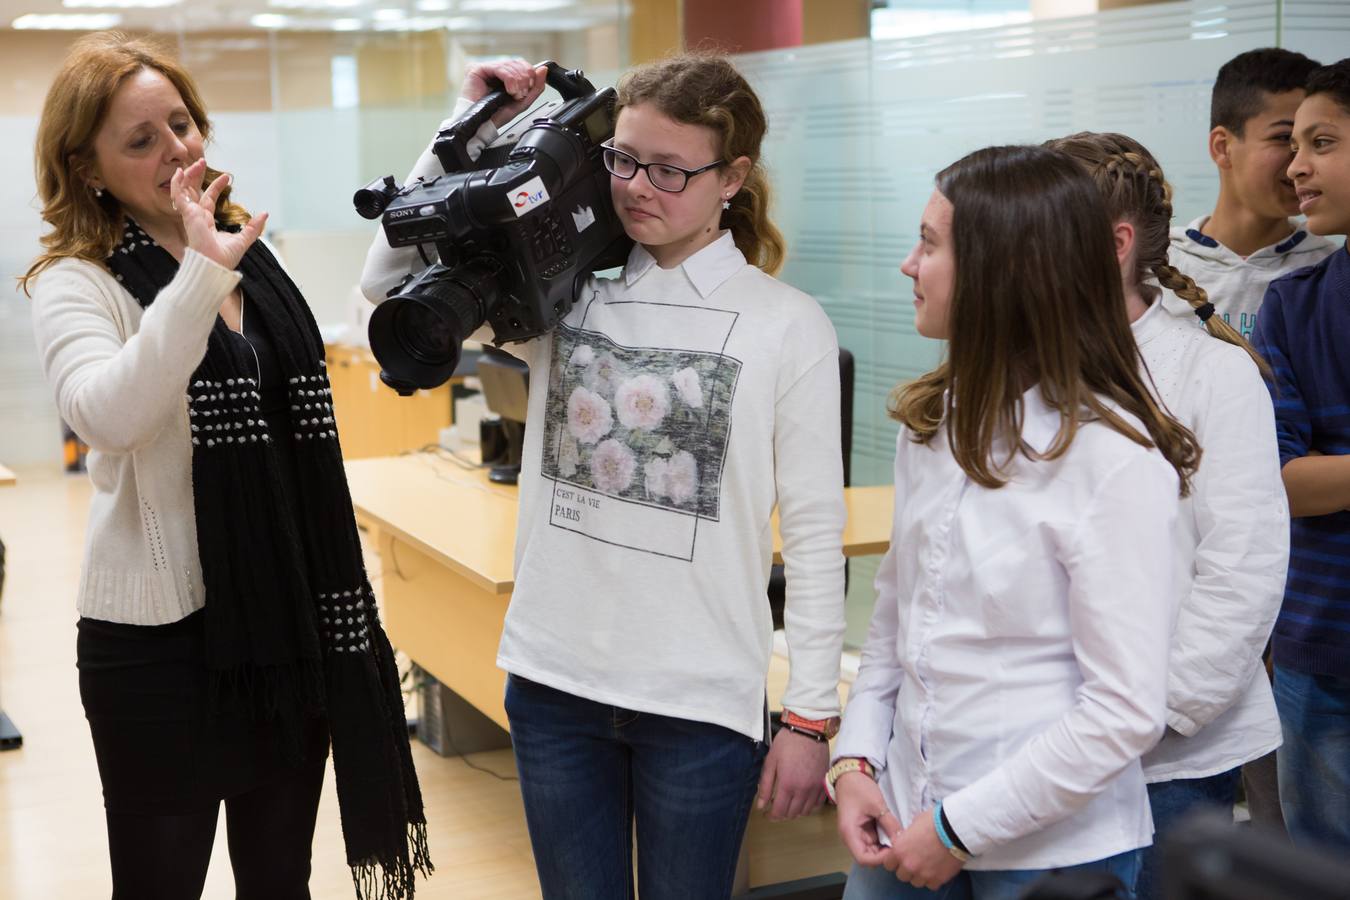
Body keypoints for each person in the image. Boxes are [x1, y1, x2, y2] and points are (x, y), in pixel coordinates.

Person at [362, 53, 846, 899]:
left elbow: (812, 535)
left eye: (669, 170)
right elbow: (385, 287)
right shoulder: (565, 295)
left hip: (700, 704)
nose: (636, 188)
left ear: (732, 177)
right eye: (621, 160)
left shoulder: (786, 326)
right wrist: (461, 125)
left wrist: (810, 716)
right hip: (555, 687)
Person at [24, 32, 429, 900]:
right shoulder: (78, 281)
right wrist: (200, 276)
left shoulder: (253, 254)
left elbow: (353, 327)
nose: (177, 150)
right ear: (88, 168)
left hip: (286, 627)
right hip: (158, 650)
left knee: (280, 882)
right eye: (141, 141)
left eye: (182, 123)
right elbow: (107, 416)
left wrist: (453, 149)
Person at [829, 144, 1200, 900]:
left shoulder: (1112, 457)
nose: (908, 264)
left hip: (1050, 851)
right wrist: (855, 760)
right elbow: (895, 626)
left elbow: (1124, 711)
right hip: (906, 818)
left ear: (1007, 273)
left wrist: (959, 828)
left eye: (930, 245)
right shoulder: (933, 424)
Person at [1048, 131, 1289, 900]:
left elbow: (1241, 573)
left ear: (1115, 244)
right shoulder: (1022, 365)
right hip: (1033, 749)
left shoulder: (1211, 372)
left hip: (1167, 759)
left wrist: (1142, 720)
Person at [1250, 57, 1350, 854]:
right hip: (1322, 650)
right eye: (1294, 143)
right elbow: (1281, 480)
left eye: (1324, 142)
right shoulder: (1295, 303)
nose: (1297, 167)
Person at [1162, 48, 1336, 341]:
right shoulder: (1159, 265)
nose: (1299, 163)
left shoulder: (1328, 270)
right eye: (1284, 138)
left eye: (1316, 141)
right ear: (1222, 147)